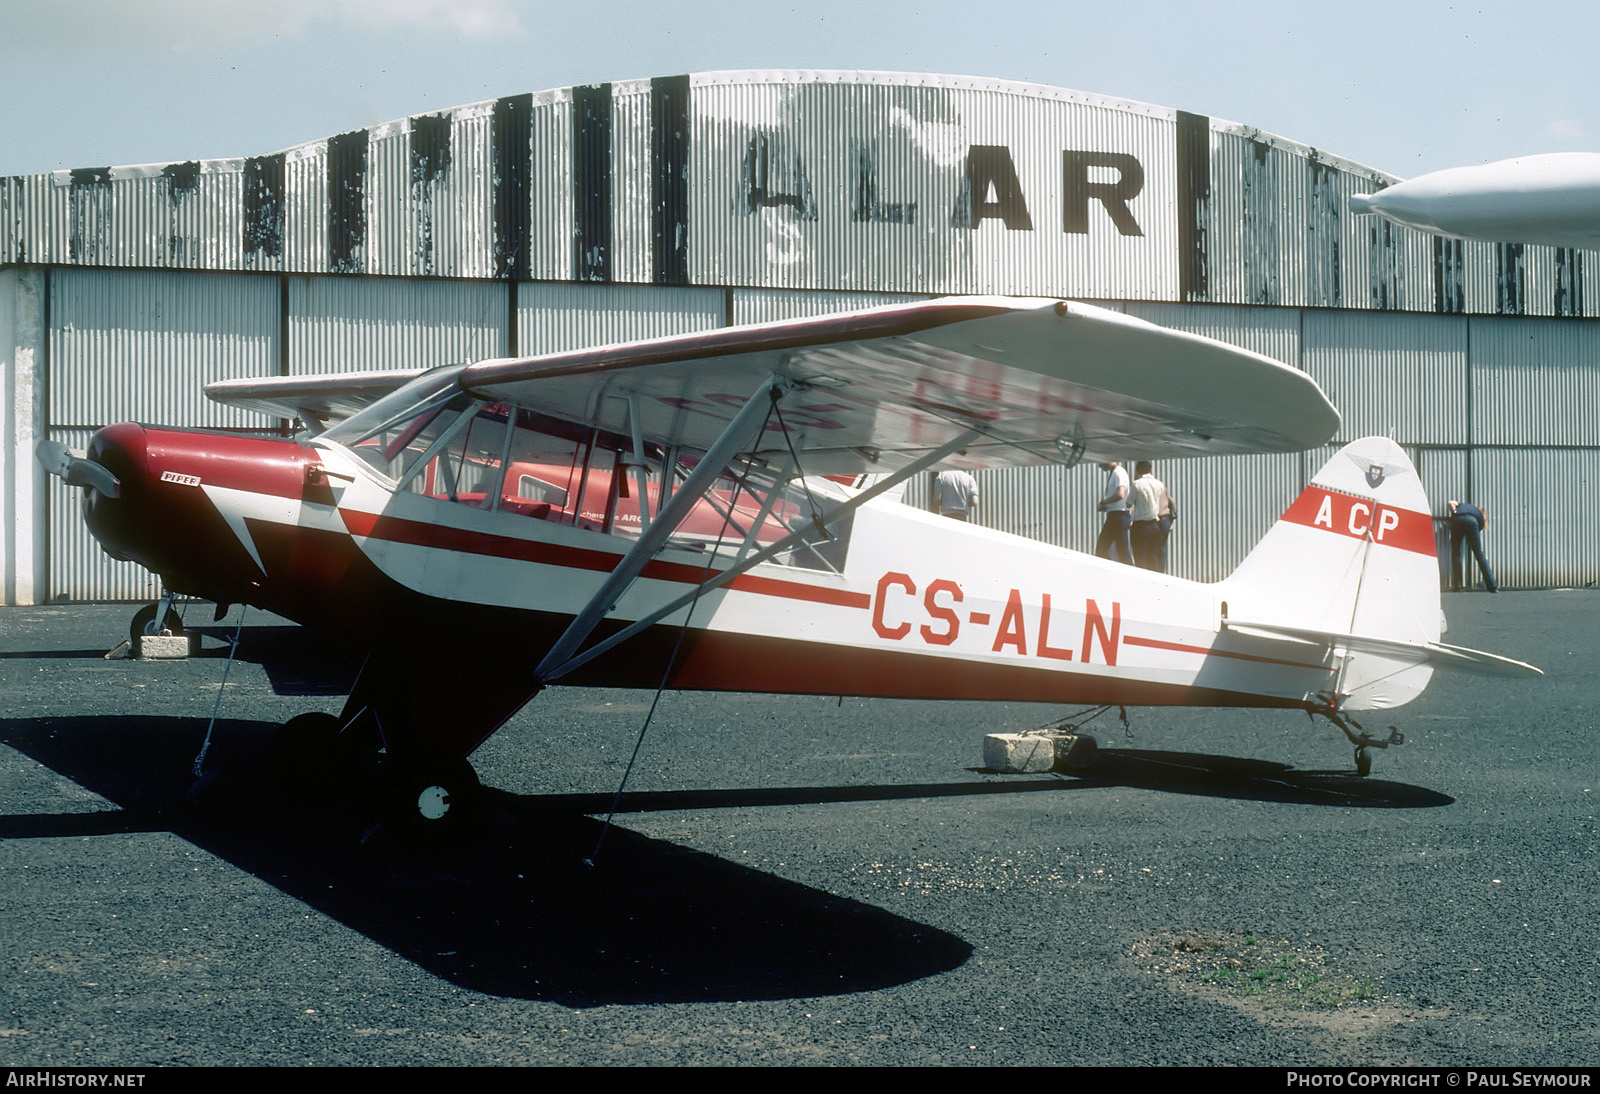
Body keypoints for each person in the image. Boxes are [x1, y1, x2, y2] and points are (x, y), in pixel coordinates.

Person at [1127, 461, 1175, 572]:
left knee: (1140, 557)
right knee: (1153, 557)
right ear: (1151, 470)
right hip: (1154, 524)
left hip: (1140, 525)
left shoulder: (1136, 484)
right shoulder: (1159, 484)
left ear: (1138, 471)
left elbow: (1128, 503)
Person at [1448, 499, 1497, 592]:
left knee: (1456, 553)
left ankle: (1457, 585)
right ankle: (1492, 585)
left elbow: (1450, 502)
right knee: (1479, 554)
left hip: (1457, 520)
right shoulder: (1479, 515)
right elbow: (1478, 529)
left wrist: (1454, 512)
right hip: (1472, 522)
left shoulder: (1462, 505)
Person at [1094, 460, 1132, 564]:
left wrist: (1104, 502)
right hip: (1116, 515)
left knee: (1110, 549)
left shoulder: (1118, 472)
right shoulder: (1115, 473)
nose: (1099, 465)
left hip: (1118, 516)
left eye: (1100, 462)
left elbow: (1120, 494)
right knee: (1120, 549)